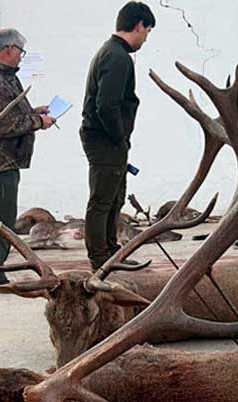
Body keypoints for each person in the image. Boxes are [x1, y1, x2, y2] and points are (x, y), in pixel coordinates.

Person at [0, 28, 56, 289]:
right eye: (20, 51)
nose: (21, 57)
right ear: (8, 49)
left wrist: (33, 111)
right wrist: (38, 122)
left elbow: (5, 113)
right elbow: (3, 125)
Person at [80, 2, 155, 271]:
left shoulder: (112, 52)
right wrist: (119, 137)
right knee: (102, 200)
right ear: (138, 26)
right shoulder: (117, 56)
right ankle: (100, 258)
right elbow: (106, 105)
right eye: (147, 32)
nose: (146, 39)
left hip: (107, 139)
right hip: (105, 140)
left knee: (114, 198)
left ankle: (111, 252)